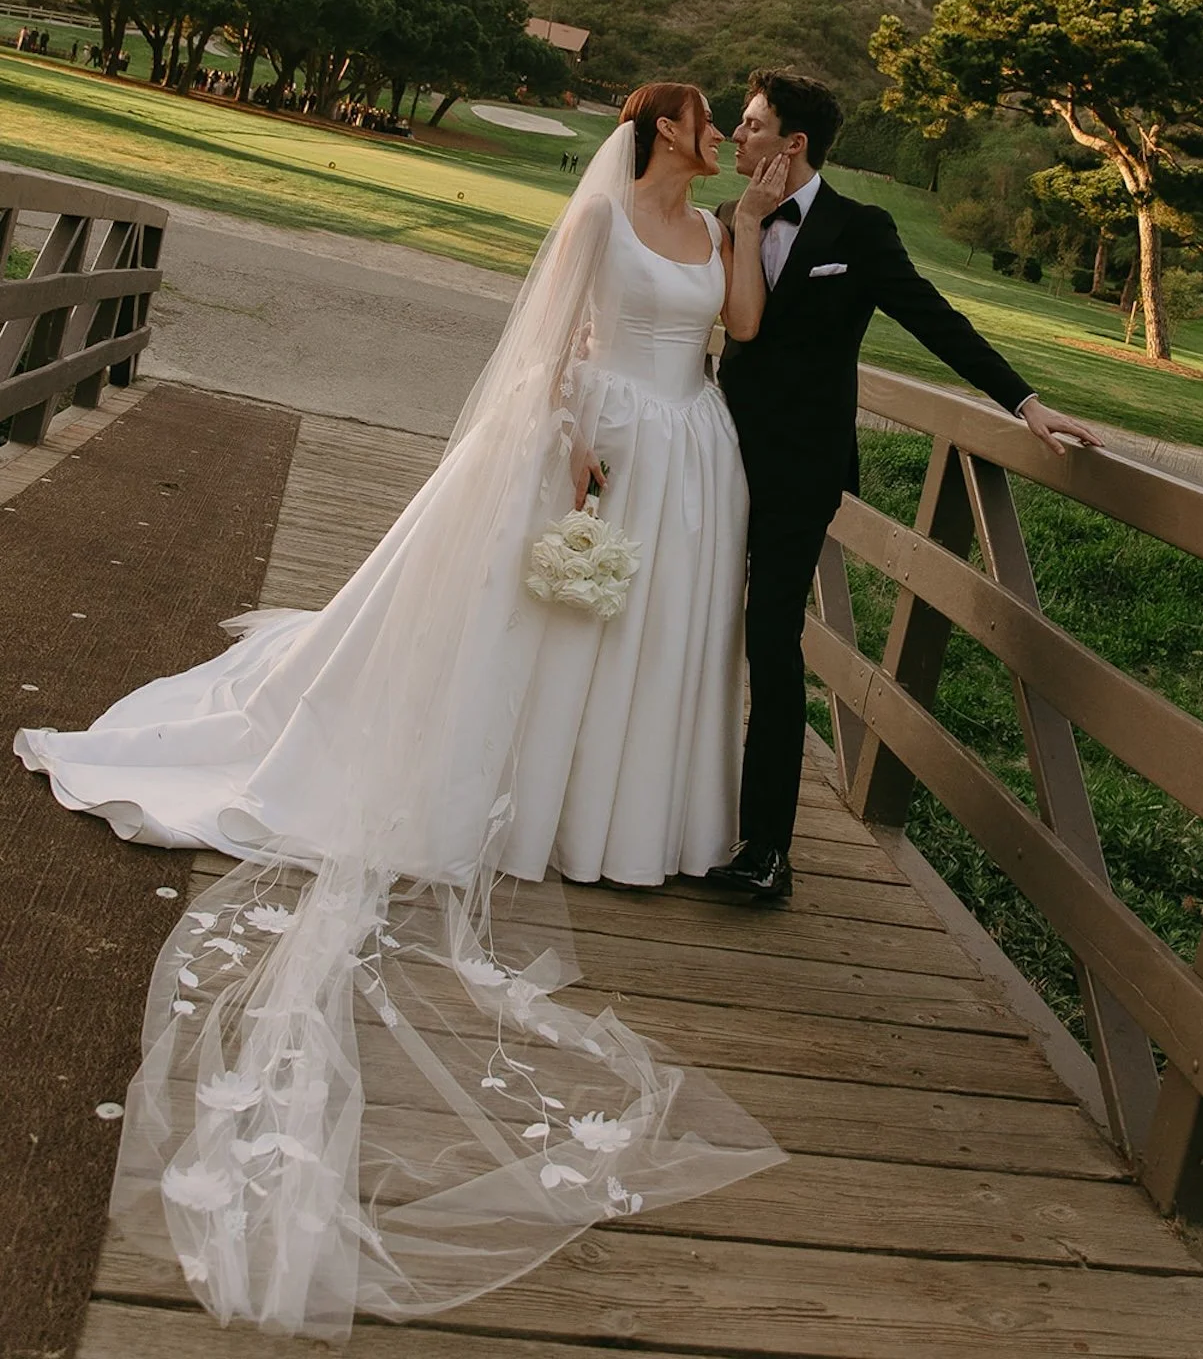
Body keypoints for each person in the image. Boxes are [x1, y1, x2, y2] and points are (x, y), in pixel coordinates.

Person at [15, 82, 782, 1340]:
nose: (722, 137)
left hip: (692, 446)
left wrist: (748, 224)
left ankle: (610, 819)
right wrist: (571, 438)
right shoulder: (604, 220)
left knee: (637, 649)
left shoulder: (714, 231)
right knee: (551, 630)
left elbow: (736, 332)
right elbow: (549, 342)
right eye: (708, 121)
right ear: (659, 134)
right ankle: (511, 795)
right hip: (602, 437)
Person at [709, 69, 1103, 903]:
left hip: (800, 475)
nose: (735, 136)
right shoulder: (726, 220)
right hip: (710, 457)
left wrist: (1025, 402)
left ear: (794, 143)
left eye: (750, 125)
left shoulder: (861, 229)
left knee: (769, 642)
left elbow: (934, 319)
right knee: (696, 627)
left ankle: (766, 849)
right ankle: (678, 815)